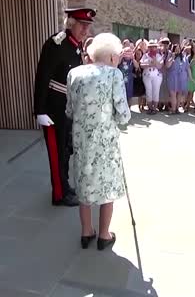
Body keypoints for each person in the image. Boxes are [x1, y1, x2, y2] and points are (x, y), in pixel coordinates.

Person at [65, 32, 131, 250]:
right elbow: (123, 115)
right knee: (107, 184)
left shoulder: (74, 73)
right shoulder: (114, 74)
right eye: (119, 56)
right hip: (105, 142)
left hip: (82, 139)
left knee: (84, 182)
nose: (119, 60)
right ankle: (103, 235)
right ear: (112, 57)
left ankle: (86, 232)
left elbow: (69, 110)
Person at [33, 7, 96, 207]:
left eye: (88, 26)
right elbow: (42, 77)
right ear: (71, 24)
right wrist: (39, 110)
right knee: (56, 152)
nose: (86, 30)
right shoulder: (56, 43)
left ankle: (65, 186)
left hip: (68, 107)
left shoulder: (76, 46)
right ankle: (59, 194)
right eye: (82, 25)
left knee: (66, 150)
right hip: (53, 108)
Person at [139, 40, 164, 114]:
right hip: (147, 76)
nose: (153, 48)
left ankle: (154, 108)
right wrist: (148, 64)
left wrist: (155, 62)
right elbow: (141, 65)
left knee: (156, 91)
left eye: (154, 47)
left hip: (157, 76)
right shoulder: (145, 55)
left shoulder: (159, 56)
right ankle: (150, 108)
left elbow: (160, 66)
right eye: (151, 47)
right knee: (148, 91)